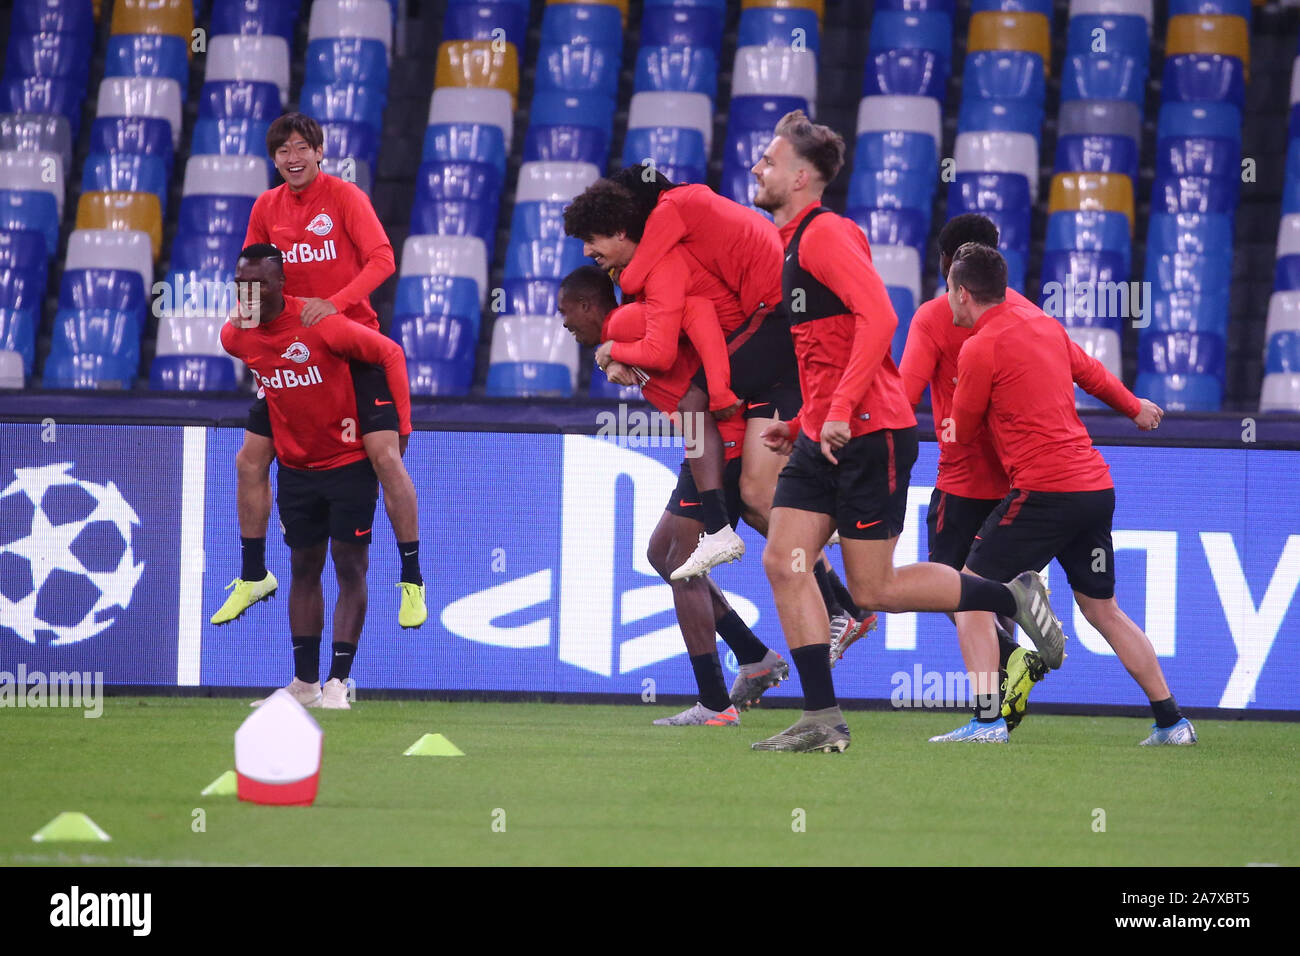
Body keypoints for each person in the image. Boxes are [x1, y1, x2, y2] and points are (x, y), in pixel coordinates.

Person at [749, 110, 1066, 753]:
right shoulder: (796, 240)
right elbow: (827, 347)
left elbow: (878, 316)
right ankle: (822, 719)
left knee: (874, 589)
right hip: (826, 433)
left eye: (770, 160)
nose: (759, 166)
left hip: (869, 432)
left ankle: (1008, 595)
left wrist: (837, 410)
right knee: (784, 561)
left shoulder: (825, 233)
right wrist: (808, 421)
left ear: (803, 175)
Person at [936, 241, 1196, 745]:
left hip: (1045, 491)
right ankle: (1171, 721)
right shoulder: (1044, 326)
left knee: (965, 593)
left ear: (963, 294)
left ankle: (987, 720)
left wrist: (950, 426)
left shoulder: (978, 347)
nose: (948, 303)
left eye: (949, 293)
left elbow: (964, 432)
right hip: (1095, 487)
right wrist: (1134, 406)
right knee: (1104, 611)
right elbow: (1092, 373)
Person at [211, 112, 426, 630]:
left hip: (350, 347)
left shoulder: (346, 198)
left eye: (302, 147)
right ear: (274, 159)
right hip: (290, 350)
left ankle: (413, 580)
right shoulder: (267, 206)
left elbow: (382, 259)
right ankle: (253, 573)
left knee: (385, 457)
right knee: (248, 461)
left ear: (320, 151)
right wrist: (242, 311)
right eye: (283, 151)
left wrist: (334, 303)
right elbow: (252, 265)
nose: (293, 158)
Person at [221, 245, 413, 710]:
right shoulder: (235, 337)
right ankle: (304, 684)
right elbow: (273, 387)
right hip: (297, 469)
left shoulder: (318, 322)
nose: (249, 293)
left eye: (259, 284)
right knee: (303, 569)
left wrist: (400, 429)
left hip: (348, 461)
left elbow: (388, 354)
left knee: (350, 566)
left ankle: (338, 682)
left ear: (281, 286)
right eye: (241, 284)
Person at [896, 214, 1047, 729]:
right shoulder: (1028, 313)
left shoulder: (932, 317)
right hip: (1017, 482)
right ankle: (1003, 698)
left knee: (949, 585)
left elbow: (904, 392)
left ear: (947, 267)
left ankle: (1006, 666)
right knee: (984, 581)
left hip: (961, 480)